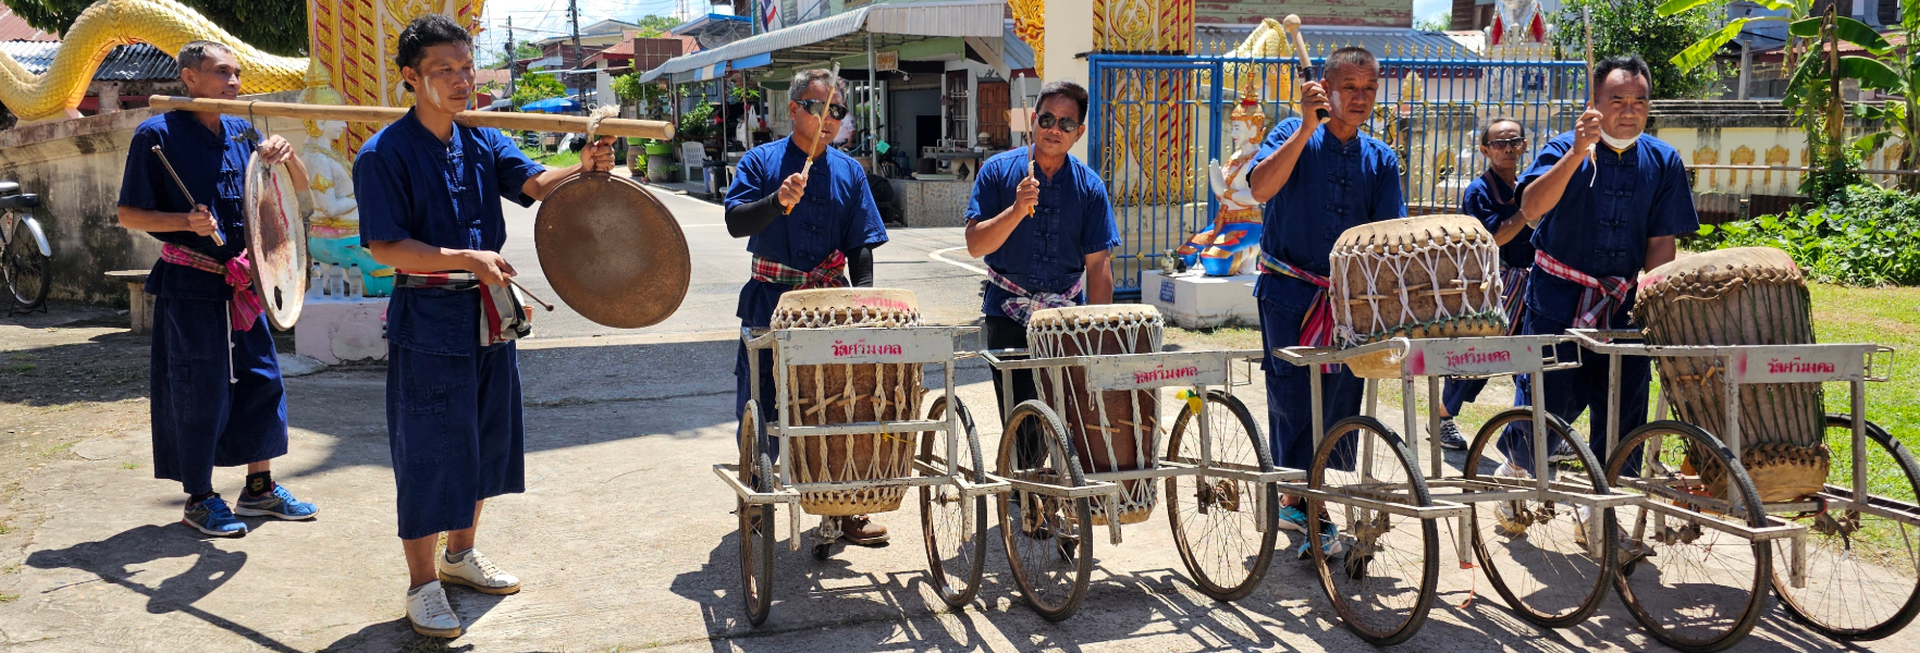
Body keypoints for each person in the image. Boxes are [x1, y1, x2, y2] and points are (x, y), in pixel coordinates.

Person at [355, 14, 615, 639]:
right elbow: (386, 247)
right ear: (412, 79)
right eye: (443, 70)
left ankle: (459, 555)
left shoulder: (482, 139)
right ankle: (422, 584)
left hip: (490, 315)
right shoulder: (382, 155)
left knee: (485, 441)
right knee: (428, 451)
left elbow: (535, 184)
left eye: (466, 68)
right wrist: (463, 258)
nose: (460, 80)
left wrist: (584, 167)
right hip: (428, 317)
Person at [116, 40, 318, 538]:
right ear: (188, 78)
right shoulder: (155, 135)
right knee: (197, 390)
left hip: (246, 284)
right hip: (190, 283)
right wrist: (183, 219)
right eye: (221, 73)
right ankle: (200, 497)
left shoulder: (243, 130)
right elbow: (129, 214)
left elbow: (299, 194)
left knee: (262, 380)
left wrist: (287, 158)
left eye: (237, 74)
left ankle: (260, 489)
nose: (234, 83)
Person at [1500, 55, 1696, 531]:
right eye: (1617, 100)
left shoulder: (1663, 160)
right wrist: (1575, 155)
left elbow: (1660, 242)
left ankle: (1599, 508)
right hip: (1558, 300)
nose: (1628, 111)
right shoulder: (1565, 147)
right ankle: (1517, 468)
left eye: (1639, 101)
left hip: (1625, 304)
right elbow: (1530, 207)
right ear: (1595, 103)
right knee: (1551, 402)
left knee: (1625, 404)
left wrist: (1657, 302)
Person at [1246, 47, 1404, 556]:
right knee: (1292, 396)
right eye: (1349, 87)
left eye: (1369, 89)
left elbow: (1388, 235)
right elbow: (1260, 188)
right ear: (1326, 88)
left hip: (1350, 301)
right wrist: (1303, 127)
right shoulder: (1289, 135)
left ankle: (1304, 497)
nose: (1360, 98)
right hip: (1290, 293)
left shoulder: (1381, 158)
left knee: (1340, 400)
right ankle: (1301, 500)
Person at [725, 68, 891, 546]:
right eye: (819, 107)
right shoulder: (761, 160)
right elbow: (737, 223)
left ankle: (842, 508)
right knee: (761, 403)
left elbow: (861, 244)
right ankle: (756, 496)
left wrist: (863, 305)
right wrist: (776, 202)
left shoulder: (850, 171)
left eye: (837, 110)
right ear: (794, 109)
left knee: (836, 408)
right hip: (769, 302)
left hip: (826, 305)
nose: (829, 118)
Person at [963, 80, 1120, 532]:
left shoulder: (1089, 187)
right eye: (1046, 119)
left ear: (1079, 131)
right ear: (1034, 121)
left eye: (1065, 123)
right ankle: (1031, 499)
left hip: (1064, 318)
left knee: (1070, 408)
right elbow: (976, 245)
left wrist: (1099, 329)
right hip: (1008, 310)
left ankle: (1051, 491)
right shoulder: (997, 172)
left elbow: (1099, 266)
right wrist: (1015, 211)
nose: (1054, 129)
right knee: (1024, 410)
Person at [1432, 117, 1547, 452]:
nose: (1508, 148)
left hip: (1532, 281)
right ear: (1484, 150)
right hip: (1490, 285)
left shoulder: (1530, 185)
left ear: (1525, 145)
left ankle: (1531, 431)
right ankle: (1442, 418)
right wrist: (1527, 212)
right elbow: (1493, 237)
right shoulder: (1479, 191)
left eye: (1514, 141)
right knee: (1480, 357)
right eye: (1499, 143)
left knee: (1529, 358)